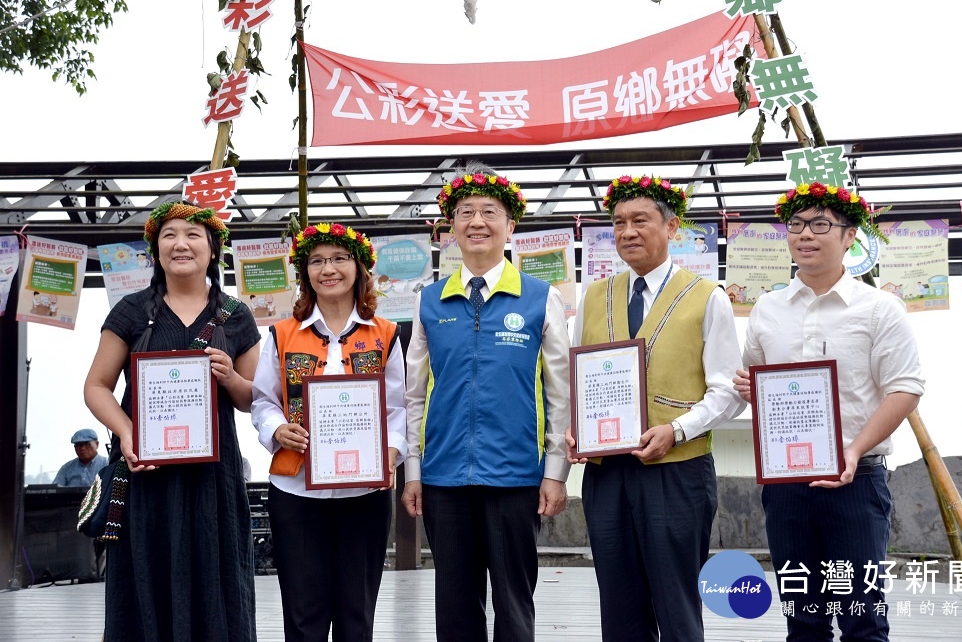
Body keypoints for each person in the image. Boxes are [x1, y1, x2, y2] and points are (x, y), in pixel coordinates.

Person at [734, 182, 924, 641]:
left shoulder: (880, 308)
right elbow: (755, 382)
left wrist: (854, 450)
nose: (806, 235)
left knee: (863, 615)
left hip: (856, 482)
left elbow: (906, 388)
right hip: (786, 486)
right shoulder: (767, 309)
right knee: (803, 616)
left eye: (820, 225)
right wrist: (748, 388)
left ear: (849, 236)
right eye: (796, 225)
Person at [566, 174, 746, 642]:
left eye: (640, 220)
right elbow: (579, 381)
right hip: (607, 473)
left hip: (676, 471)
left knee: (677, 603)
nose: (627, 232)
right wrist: (575, 430)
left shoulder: (708, 297)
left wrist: (678, 430)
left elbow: (727, 391)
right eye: (619, 223)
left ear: (671, 227)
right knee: (620, 606)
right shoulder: (594, 296)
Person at [401, 162, 571, 642]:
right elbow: (414, 394)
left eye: (489, 212)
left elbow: (560, 392)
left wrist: (555, 472)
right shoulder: (429, 300)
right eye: (465, 212)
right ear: (450, 228)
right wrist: (414, 473)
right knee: (454, 607)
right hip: (443, 478)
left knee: (515, 605)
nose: (477, 221)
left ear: (510, 225)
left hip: (516, 475)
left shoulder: (540, 297)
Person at [83, 200, 261, 642]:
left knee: (217, 582)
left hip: (213, 481)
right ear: (155, 250)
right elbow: (97, 386)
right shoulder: (131, 311)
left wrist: (231, 376)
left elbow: (253, 399)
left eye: (193, 235)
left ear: (214, 249)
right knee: (145, 580)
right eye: (169, 235)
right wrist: (127, 434)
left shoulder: (236, 316)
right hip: (146, 475)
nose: (181, 244)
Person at [250, 222, 405, 642]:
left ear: (359, 268)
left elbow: (398, 410)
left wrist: (390, 454)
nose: (328, 269)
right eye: (317, 261)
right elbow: (262, 399)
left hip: (365, 494)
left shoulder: (386, 334)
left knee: (357, 616)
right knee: (303, 617)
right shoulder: (282, 334)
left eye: (338, 258)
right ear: (305, 273)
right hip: (297, 492)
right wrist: (277, 428)